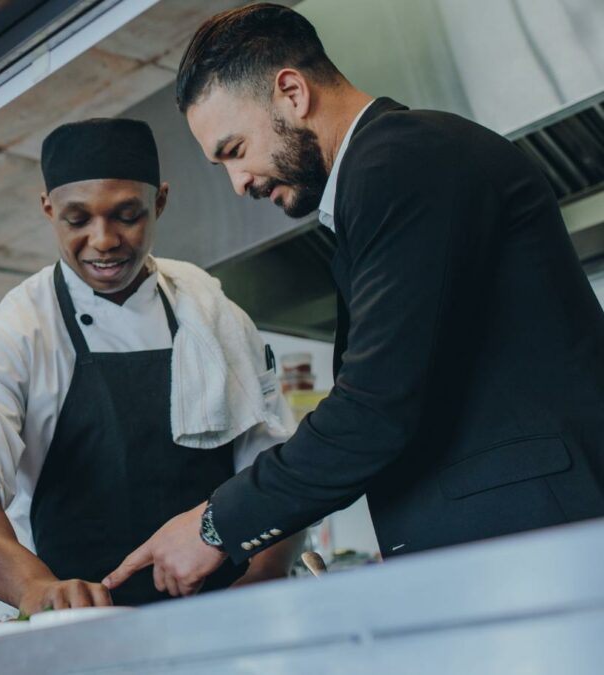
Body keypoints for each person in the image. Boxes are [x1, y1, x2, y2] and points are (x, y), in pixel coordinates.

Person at [104, 3, 604, 597]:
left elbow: (375, 408)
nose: (237, 184)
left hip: (539, 551)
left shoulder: (403, 160)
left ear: (291, 91)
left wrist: (214, 525)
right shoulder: (387, 174)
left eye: (234, 150)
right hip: (514, 552)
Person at [0, 118, 301, 615]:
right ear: (48, 209)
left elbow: (274, 468)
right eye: (77, 220)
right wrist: (33, 586)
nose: (103, 240)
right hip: (81, 627)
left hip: (226, 618)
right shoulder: (15, 331)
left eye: (127, 215)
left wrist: (262, 580)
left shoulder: (213, 313)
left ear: (159, 202)